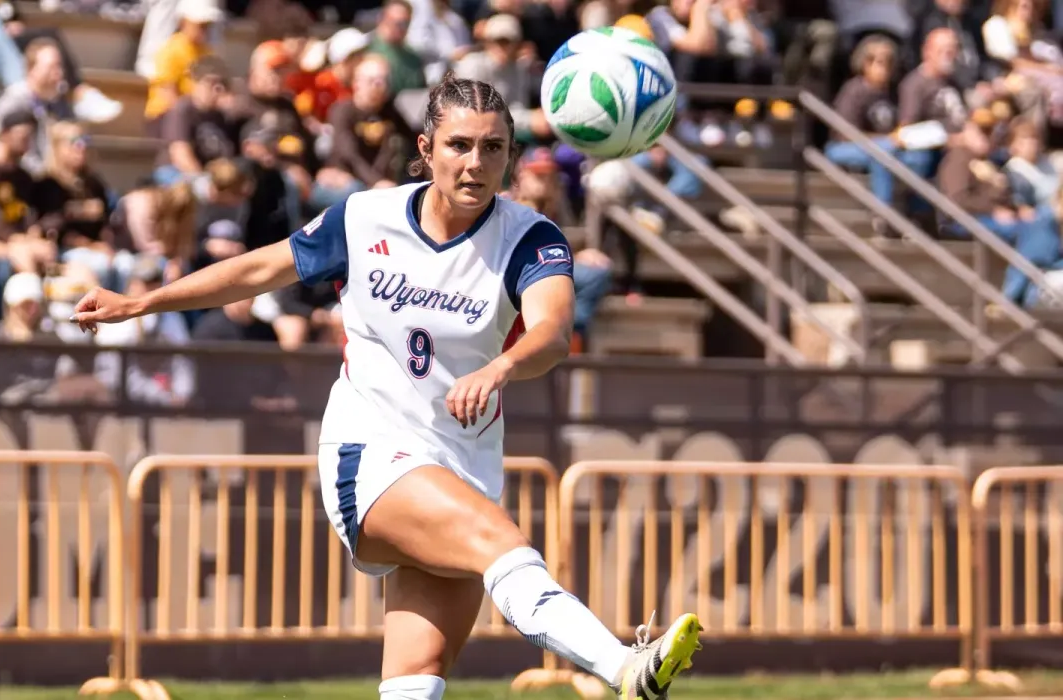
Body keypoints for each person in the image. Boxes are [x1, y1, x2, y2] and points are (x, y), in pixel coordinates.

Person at [70, 73, 702, 700]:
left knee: (415, 677)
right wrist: (144, 303)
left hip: (463, 463)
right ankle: (625, 668)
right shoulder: (365, 217)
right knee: (502, 544)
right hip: (369, 454)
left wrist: (501, 366)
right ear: (426, 149)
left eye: (493, 148)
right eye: (459, 145)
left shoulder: (529, 238)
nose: (475, 163)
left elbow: (553, 332)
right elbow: (263, 266)